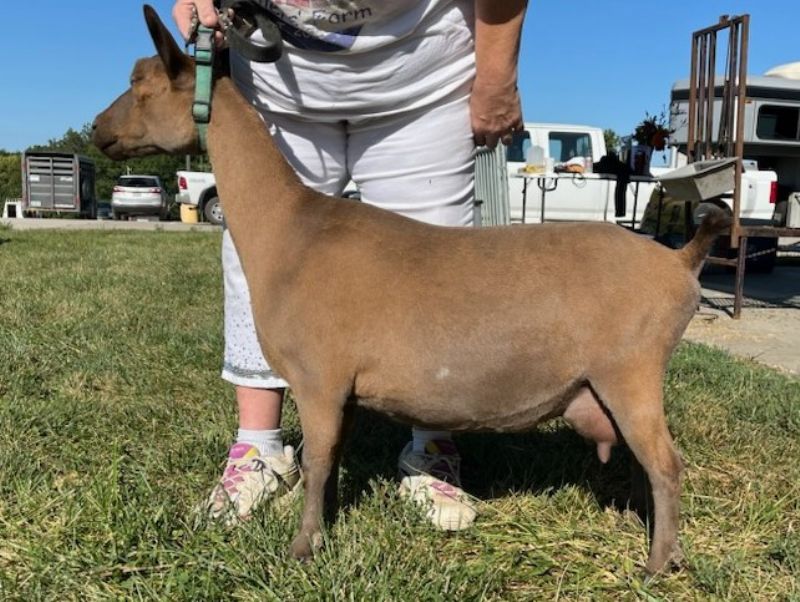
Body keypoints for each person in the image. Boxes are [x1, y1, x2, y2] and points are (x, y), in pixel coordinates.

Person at [173, 0, 526, 531]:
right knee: (262, 256)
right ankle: (258, 449)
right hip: (277, 81)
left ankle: (432, 448)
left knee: (434, 263)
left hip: (418, 79)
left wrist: (495, 78)